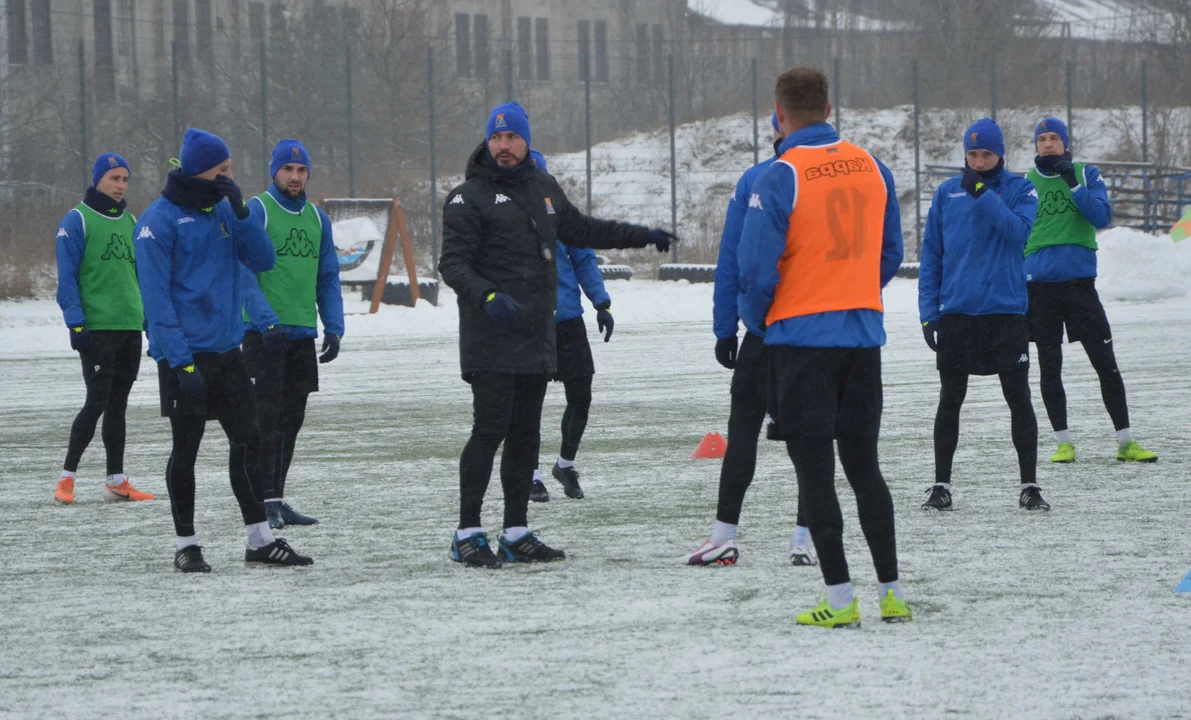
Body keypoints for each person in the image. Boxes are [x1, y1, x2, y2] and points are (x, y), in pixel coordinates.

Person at [439, 102, 674, 568]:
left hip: (534, 335)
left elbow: (584, 230)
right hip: (490, 336)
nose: (504, 146)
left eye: (512, 138)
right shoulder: (467, 197)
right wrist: (487, 296)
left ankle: (516, 531)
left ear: (526, 141)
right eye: (497, 138)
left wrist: (640, 234)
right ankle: (467, 532)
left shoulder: (544, 189)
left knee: (526, 434)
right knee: (488, 432)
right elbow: (453, 264)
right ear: (488, 142)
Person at [737, 67, 909, 628]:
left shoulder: (779, 175)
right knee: (866, 469)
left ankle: (839, 601)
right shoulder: (873, 167)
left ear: (779, 114)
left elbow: (756, 270)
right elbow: (890, 253)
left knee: (815, 475)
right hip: (862, 338)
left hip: (801, 342)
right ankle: (893, 594)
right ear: (829, 108)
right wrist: (853, 294)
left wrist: (757, 322)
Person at [136, 128, 313, 572]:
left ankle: (260, 540)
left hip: (227, 352)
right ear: (201, 170)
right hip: (184, 358)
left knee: (249, 443)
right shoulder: (156, 222)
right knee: (187, 448)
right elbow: (156, 303)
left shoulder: (227, 211)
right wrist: (179, 362)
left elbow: (264, 259)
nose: (229, 176)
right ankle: (187, 544)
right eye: (224, 170)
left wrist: (241, 210)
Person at [685, 111, 817, 568]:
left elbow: (735, 261)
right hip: (810, 332)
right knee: (804, 437)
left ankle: (732, 535)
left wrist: (730, 325)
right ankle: (802, 538)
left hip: (771, 330)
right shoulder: (845, 171)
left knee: (750, 433)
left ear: (778, 127)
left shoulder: (764, 177)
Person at [919, 118, 1048, 512]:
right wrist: (929, 312)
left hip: (1005, 313)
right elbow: (932, 257)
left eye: (986, 153)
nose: (978, 161)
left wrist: (982, 194)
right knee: (950, 399)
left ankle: (1029, 485)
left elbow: (1018, 234)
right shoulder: (945, 194)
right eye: (972, 154)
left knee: (1018, 399)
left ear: (1000, 154)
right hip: (957, 315)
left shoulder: (1021, 189)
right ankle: (941, 485)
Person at [1025, 117, 1156, 464]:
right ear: (1036, 146)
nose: (1049, 144)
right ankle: (1063, 443)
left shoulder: (1086, 174)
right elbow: (1014, 229)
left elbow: (1101, 218)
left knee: (1105, 364)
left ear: (1065, 143)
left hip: (1080, 288)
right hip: (1039, 290)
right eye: (1042, 139)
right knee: (1049, 368)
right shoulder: (1026, 183)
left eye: (1055, 138)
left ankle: (1126, 442)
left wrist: (1072, 183)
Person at [240, 139, 345, 529]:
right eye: (288, 170)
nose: (295, 177)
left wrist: (333, 327)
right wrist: (265, 320)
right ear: (275, 172)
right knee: (264, 421)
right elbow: (243, 273)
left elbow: (328, 276)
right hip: (263, 334)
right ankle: (261, 502)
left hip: (301, 334)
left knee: (291, 421)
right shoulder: (257, 211)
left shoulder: (318, 219)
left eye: (301, 171)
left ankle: (277, 498)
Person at [53, 153, 154, 505]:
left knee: (118, 406)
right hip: (97, 329)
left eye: (125, 179)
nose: (120, 185)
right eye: (114, 178)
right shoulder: (77, 220)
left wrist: (149, 323)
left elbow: (141, 277)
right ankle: (67, 479)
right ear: (98, 180)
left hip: (129, 327)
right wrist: (76, 322)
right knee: (96, 401)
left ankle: (116, 479)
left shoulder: (131, 221)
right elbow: (66, 277)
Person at [525, 149, 612, 503]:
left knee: (581, 396)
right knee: (529, 404)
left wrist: (601, 303)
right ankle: (529, 474)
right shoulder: (504, 218)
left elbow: (584, 259)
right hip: (530, 324)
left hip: (568, 321)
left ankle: (566, 463)